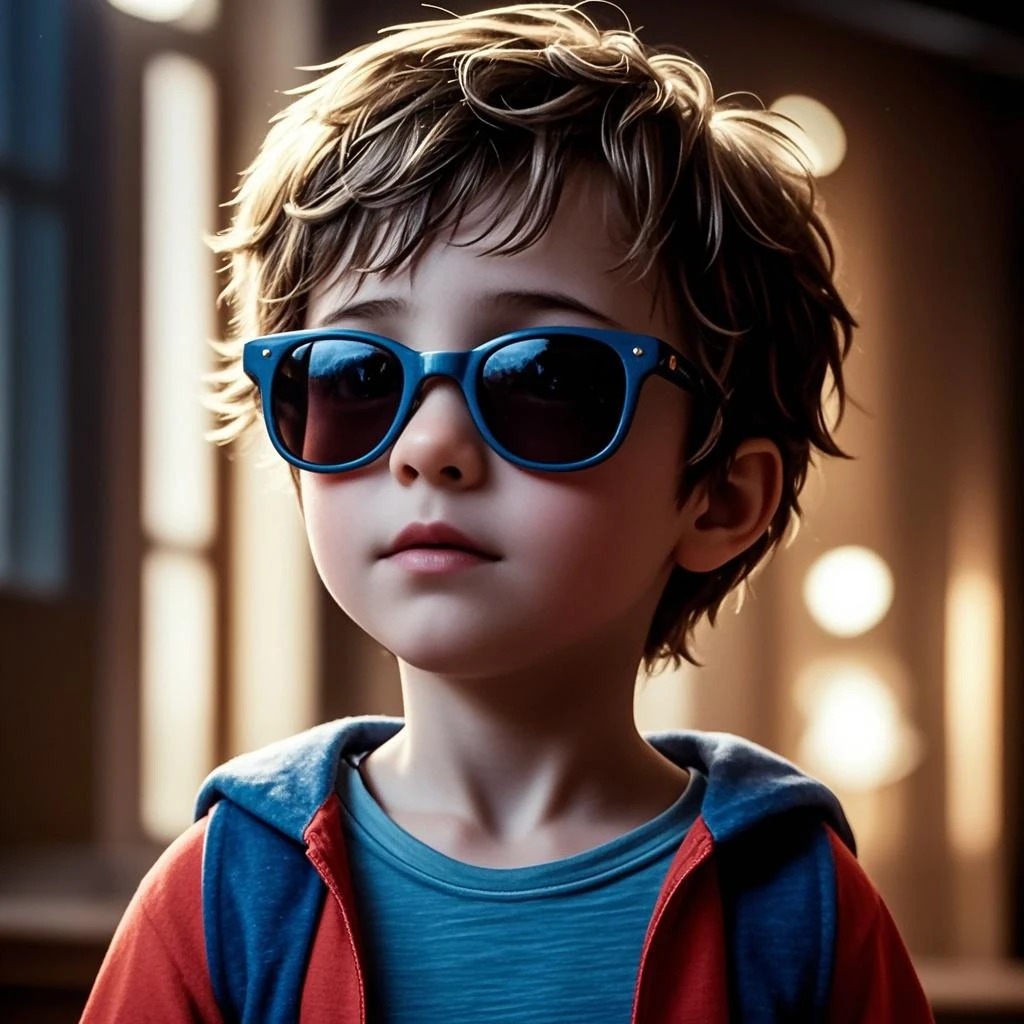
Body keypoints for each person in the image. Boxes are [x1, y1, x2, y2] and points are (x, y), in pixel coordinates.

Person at [82, 4, 935, 1021]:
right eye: (355, 374)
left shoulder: (799, 910)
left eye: (544, 376)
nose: (426, 445)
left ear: (719, 497)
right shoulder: (224, 897)